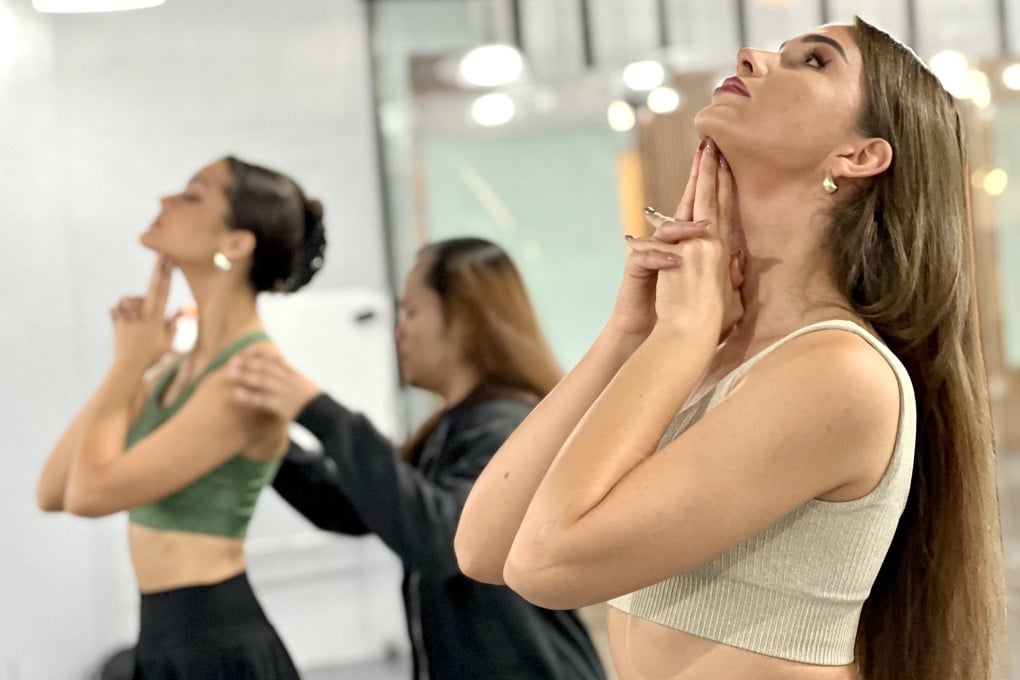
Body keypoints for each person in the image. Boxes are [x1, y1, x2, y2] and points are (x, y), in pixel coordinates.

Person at [455, 17, 1004, 680]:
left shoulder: (840, 372)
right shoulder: (711, 346)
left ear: (860, 155)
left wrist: (679, 337)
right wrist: (629, 337)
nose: (750, 57)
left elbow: (545, 564)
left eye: (813, 61)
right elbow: (483, 548)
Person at [228, 237, 608, 680]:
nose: (399, 331)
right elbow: (356, 506)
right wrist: (270, 442)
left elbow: (441, 538)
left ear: (464, 319)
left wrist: (320, 412)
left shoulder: (506, 426)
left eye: (411, 312)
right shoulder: (453, 429)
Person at [36, 155, 327, 679]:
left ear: (237, 243)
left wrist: (130, 364)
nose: (165, 201)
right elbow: (53, 490)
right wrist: (132, 365)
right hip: (164, 639)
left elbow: (89, 495)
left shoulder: (246, 379)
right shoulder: (177, 369)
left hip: (216, 646)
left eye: (193, 194)